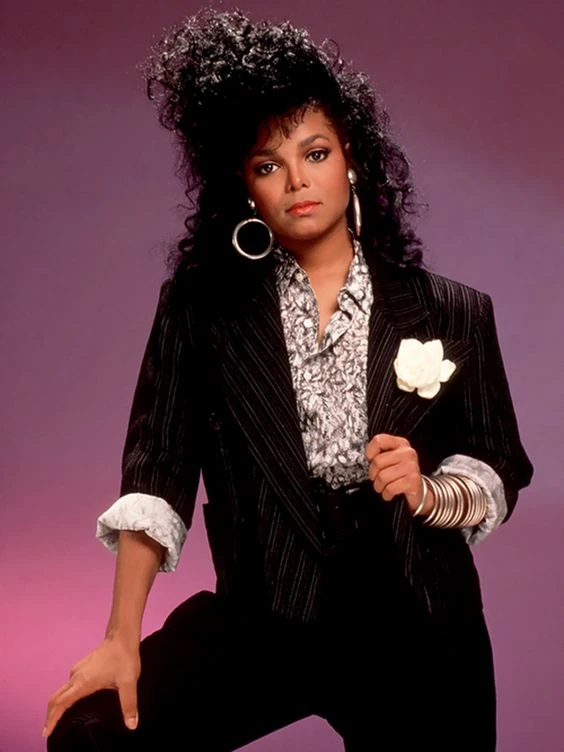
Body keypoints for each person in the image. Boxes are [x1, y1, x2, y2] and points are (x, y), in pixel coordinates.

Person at [43, 8, 533, 751]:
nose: (298, 180)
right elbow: (158, 470)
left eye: (316, 152)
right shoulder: (202, 308)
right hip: (265, 614)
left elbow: (500, 462)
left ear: (351, 158)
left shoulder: (453, 310)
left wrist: (429, 490)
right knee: (91, 737)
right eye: (269, 165)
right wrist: (121, 637)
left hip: (417, 623)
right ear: (246, 186)